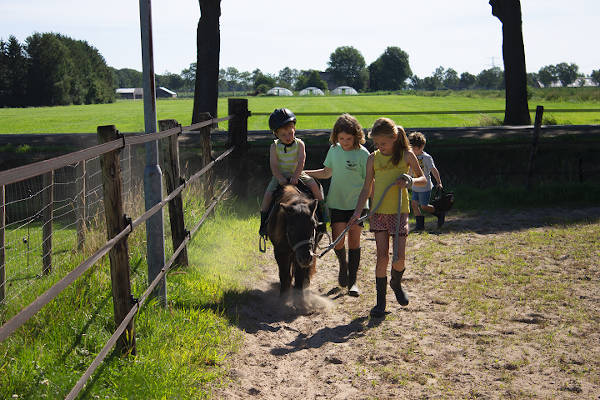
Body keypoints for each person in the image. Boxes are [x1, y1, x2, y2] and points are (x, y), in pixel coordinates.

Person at [349, 118, 426, 318]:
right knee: (382, 256)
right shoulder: (373, 159)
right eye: (377, 144)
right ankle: (380, 302)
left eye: (383, 143)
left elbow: (423, 180)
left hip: (399, 212)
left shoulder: (407, 155)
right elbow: (366, 187)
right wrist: (358, 212)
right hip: (378, 213)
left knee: (399, 258)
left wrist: (410, 180)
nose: (379, 147)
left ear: (393, 138)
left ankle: (396, 282)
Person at [305, 114, 370, 296]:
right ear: (336, 137)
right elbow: (326, 172)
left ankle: (353, 281)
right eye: (341, 138)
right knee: (338, 241)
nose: (345, 142)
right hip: (337, 202)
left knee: (354, 241)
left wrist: (365, 204)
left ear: (356, 136)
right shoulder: (334, 150)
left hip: (357, 204)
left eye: (348, 139)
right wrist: (305, 172)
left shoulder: (363, 154)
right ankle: (343, 265)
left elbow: (368, 182)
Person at [259, 108, 326, 236]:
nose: (288, 137)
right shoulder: (274, 146)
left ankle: (322, 218)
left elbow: (301, 161)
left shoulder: (300, 144)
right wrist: (279, 178)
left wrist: (296, 176)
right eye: (283, 135)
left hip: (298, 173)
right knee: (267, 196)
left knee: (314, 187)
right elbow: (273, 165)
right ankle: (264, 225)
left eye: (291, 133)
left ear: (294, 129)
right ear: (276, 134)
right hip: (280, 175)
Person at [408, 131, 445, 231]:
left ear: (421, 147)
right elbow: (409, 170)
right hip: (415, 186)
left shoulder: (427, 158)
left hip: (425, 187)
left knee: (424, 206)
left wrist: (439, 182)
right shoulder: (410, 157)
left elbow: (433, 169)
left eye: (413, 149)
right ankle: (419, 225)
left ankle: (439, 212)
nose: (411, 150)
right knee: (414, 204)